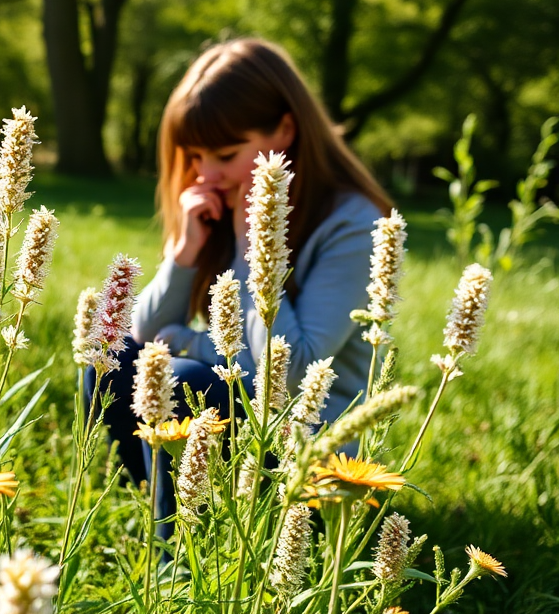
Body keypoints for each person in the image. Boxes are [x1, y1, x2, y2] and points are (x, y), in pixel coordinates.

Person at [87, 38, 392, 526]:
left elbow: (290, 376)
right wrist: (184, 252)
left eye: (225, 154)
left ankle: (178, 561)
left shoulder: (352, 224)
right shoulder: (217, 201)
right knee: (111, 361)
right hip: (238, 421)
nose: (206, 174)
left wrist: (255, 248)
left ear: (286, 130)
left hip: (311, 454)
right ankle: (169, 527)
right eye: (196, 156)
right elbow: (140, 333)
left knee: (183, 379)